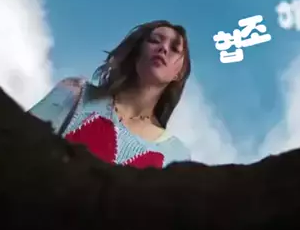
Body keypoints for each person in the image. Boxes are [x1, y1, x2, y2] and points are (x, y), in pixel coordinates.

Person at [29, 20, 192, 168]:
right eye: (155, 40)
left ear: (179, 73)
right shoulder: (76, 94)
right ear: (137, 52)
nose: (163, 48)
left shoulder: (176, 155)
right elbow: (19, 143)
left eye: (175, 48)